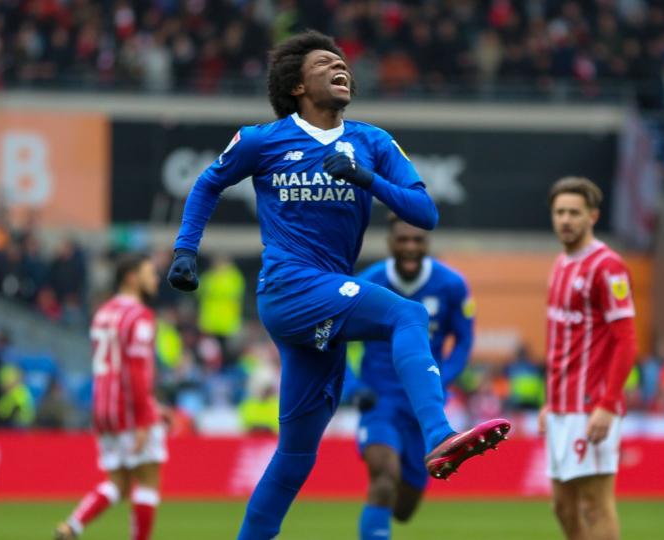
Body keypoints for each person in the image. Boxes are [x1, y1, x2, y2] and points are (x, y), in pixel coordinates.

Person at [167, 31, 509, 540]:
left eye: (343, 62)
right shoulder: (262, 140)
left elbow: (425, 212)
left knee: (295, 456)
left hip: (324, 302)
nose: (340, 67)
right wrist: (184, 250)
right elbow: (207, 183)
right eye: (326, 63)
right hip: (287, 289)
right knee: (408, 314)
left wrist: (365, 178)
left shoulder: (372, 142)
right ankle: (438, 434)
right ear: (297, 86)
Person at [349, 213, 476, 539]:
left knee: (404, 509)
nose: (410, 247)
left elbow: (462, 341)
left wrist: (441, 379)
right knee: (383, 478)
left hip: (423, 409)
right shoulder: (367, 283)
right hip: (380, 402)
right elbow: (338, 342)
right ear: (390, 242)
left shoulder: (452, 285)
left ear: (427, 243)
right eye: (402, 239)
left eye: (417, 240)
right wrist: (354, 387)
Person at [539, 177, 638, 540]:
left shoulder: (607, 266)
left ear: (592, 216)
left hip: (591, 404)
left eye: (574, 213)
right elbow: (560, 343)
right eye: (560, 212)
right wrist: (550, 403)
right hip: (562, 406)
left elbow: (625, 340)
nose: (565, 220)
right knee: (562, 506)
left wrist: (608, 403)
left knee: (594, 504)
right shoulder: (562, 264)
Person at [55, 254, 166, 540]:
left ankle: (72, 526)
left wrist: (153, 406)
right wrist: (144, 418)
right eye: (149, 272)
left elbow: (113, 367)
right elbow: (135, 370)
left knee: (119, 482)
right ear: (131, 277)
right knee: (147, 482)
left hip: (104, 408)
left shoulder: (103, 313)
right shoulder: (139, 317)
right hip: (129, 409)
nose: (155, 278)